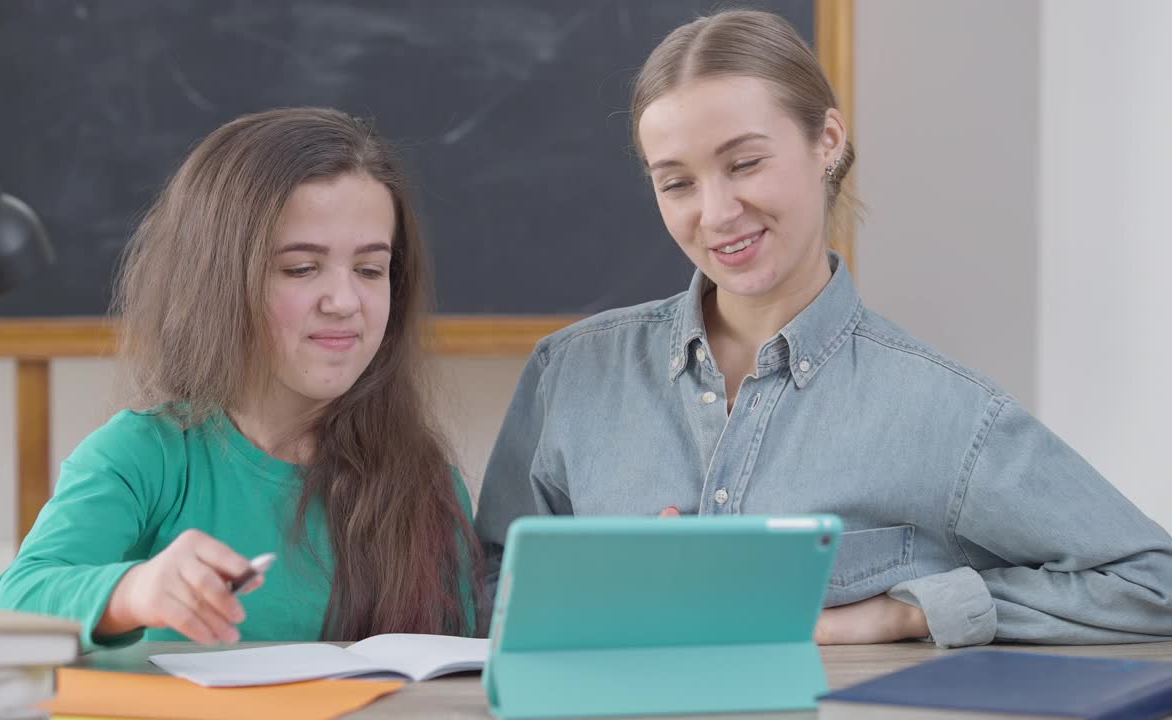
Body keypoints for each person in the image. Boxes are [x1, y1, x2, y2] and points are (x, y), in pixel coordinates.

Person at [474, 9, 1172, 648]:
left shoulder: (943, 412)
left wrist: (899, 613)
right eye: (676, 182)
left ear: (827, 142)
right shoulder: (568, 376)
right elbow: (486, 591)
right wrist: (607, 594)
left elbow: (1152, 582)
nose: (715, 212)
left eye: (745, 162)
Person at [0, 107, 481, 649]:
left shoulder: (427, 482)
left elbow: (453, 671)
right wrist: (135, 590)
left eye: (369, 270)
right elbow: (18, 601)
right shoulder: (146, 455)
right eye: (300, 268)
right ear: (220, 280)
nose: (344, 302)